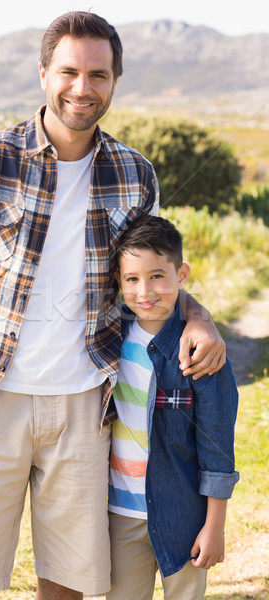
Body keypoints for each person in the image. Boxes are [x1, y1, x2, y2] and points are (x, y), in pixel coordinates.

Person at [0, 11, 226, 600]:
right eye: (69, 72)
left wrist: (201, 317)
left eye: (98, 75)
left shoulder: (136, 175)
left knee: (69, 588)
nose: (82, 88)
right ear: (42, 75)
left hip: (87, 407)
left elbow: (150, 280)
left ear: (115, 80)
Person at [107, 214, 239, 600]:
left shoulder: (201, 354)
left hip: (183, 515)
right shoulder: (109, 341)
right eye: (131, 279)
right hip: (120, 514)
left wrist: (215, 526)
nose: (145, 291)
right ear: (119, 280)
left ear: (181, 275)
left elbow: (217, 448)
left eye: (157, 276)